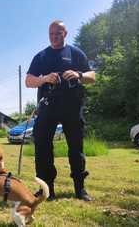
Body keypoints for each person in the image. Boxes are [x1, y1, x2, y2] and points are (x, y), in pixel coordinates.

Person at [25, 20, 95, 201]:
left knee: (76, 148)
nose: (54, 37)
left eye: (58, 33)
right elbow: (28, 81)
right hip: (48, 107)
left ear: (65, 33)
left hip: (72, 107)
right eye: (51, 34)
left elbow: (92, 76)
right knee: (42, 148)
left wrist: (79, 75)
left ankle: (80, 189)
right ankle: (46, 190)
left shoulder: (75, 53)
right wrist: (45, 79)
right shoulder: (41, 56)